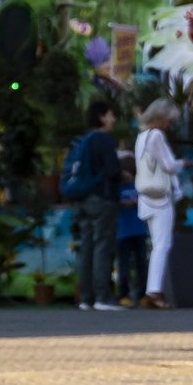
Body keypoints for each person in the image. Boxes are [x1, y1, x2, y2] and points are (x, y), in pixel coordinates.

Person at [74, 99, 124, 312]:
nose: (113, 119)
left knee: (87, 247)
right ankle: (103, 296)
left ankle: (86, 298)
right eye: (110, 115)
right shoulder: (104, 139)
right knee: (103, 246)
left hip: (84, 198)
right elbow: (113, 170)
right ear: (102, 117)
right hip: (103, 199)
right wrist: (124, 174)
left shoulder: (85, 140)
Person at [134, 98, 182, 310]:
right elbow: (169, 166)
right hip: (161, 197)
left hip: (145, 197)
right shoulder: (157, 136)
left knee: (156, 245)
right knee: (162, 245)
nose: (170, 125)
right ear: (161, 118)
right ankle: (154, 291)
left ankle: (152, 290)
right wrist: (184, 163)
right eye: (169, 121)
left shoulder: (141, 136)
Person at [115, 151, 149, 307]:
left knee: (142, 263)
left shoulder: (139, 184)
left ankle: (143, 293)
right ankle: (124, 294)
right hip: (122, 231)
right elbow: (113, 204)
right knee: (124, 264)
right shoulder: (115, 187)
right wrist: (123, 204)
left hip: (139, 229)